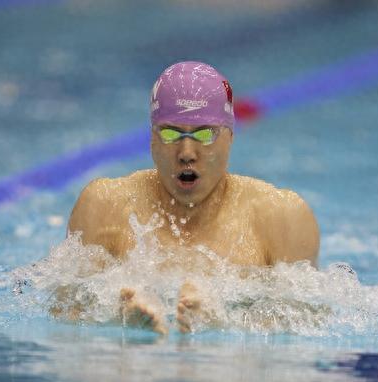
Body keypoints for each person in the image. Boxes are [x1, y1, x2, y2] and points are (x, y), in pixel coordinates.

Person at [63, 61, 320, 335]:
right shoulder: (104, 206)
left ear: (230, 137)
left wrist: (222, 321)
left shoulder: (281, 217)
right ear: (152, 139)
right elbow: (63, 309)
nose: (187, 152)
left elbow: (312, 320)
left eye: (205, 134)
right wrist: (119, 317)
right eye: (171, 133)